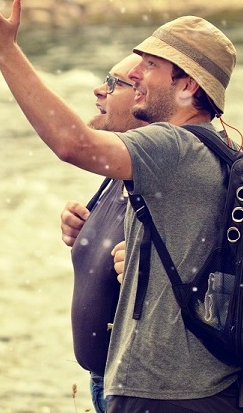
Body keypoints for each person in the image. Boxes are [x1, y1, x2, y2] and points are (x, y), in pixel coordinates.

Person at [0, 0, 241, 412]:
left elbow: (73, 144)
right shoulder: (201, 149)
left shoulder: (175, 146)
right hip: (187, 391)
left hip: (170, 396)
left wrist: (5, 53)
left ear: (186, 87)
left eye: (151, 66)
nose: (137, 75)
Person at [60, 53, 145, 413]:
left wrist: (3, 53)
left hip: (141, 391)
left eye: (113, 84)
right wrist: (82, 228)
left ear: (145, 99)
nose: (99, 90)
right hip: (104, 383)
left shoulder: (161, 176)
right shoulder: (117, 172)